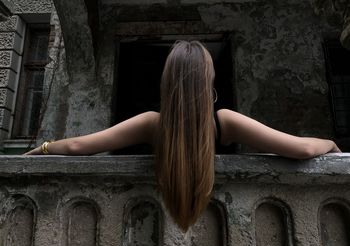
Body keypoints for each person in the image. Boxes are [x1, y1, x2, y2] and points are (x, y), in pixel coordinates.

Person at [25, 40, 341, 231]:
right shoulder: (224, 121)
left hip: (162, 218)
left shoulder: (152, 123)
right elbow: (300, 149)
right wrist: (332, 144)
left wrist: (39, 150)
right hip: (223, 219)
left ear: (167, 82)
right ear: (208, 79)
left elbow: (81, 145)